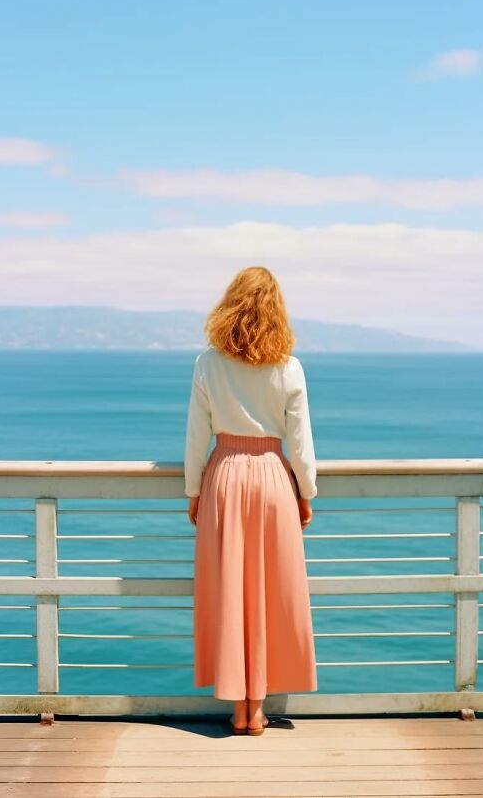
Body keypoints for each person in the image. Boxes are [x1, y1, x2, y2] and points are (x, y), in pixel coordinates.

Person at [184, 265, 318, 736]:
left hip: (223, 474)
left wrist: (194, 490)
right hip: (272, 479)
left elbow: (197, 434)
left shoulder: (208, 363)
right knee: (268, 589)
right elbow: (300, 443)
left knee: (229, 587)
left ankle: (235, 706)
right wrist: (306, 492)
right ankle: (255, 709)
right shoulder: (289, 366)